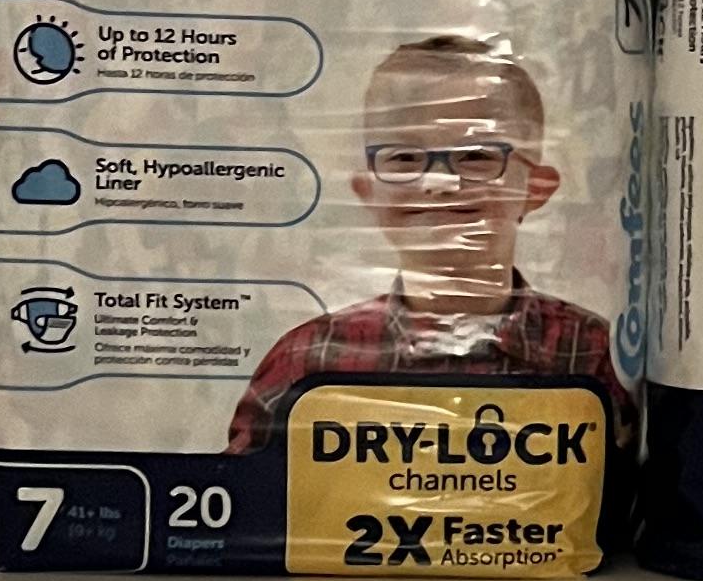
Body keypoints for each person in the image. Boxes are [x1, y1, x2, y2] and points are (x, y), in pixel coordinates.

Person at [227, 32, 632, 455]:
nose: (439, 182)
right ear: (367, 190)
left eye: (476, 156)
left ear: (537, 186)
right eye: (403, 158)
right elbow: (245, 491)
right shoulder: (308, 361)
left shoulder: (591, 354)